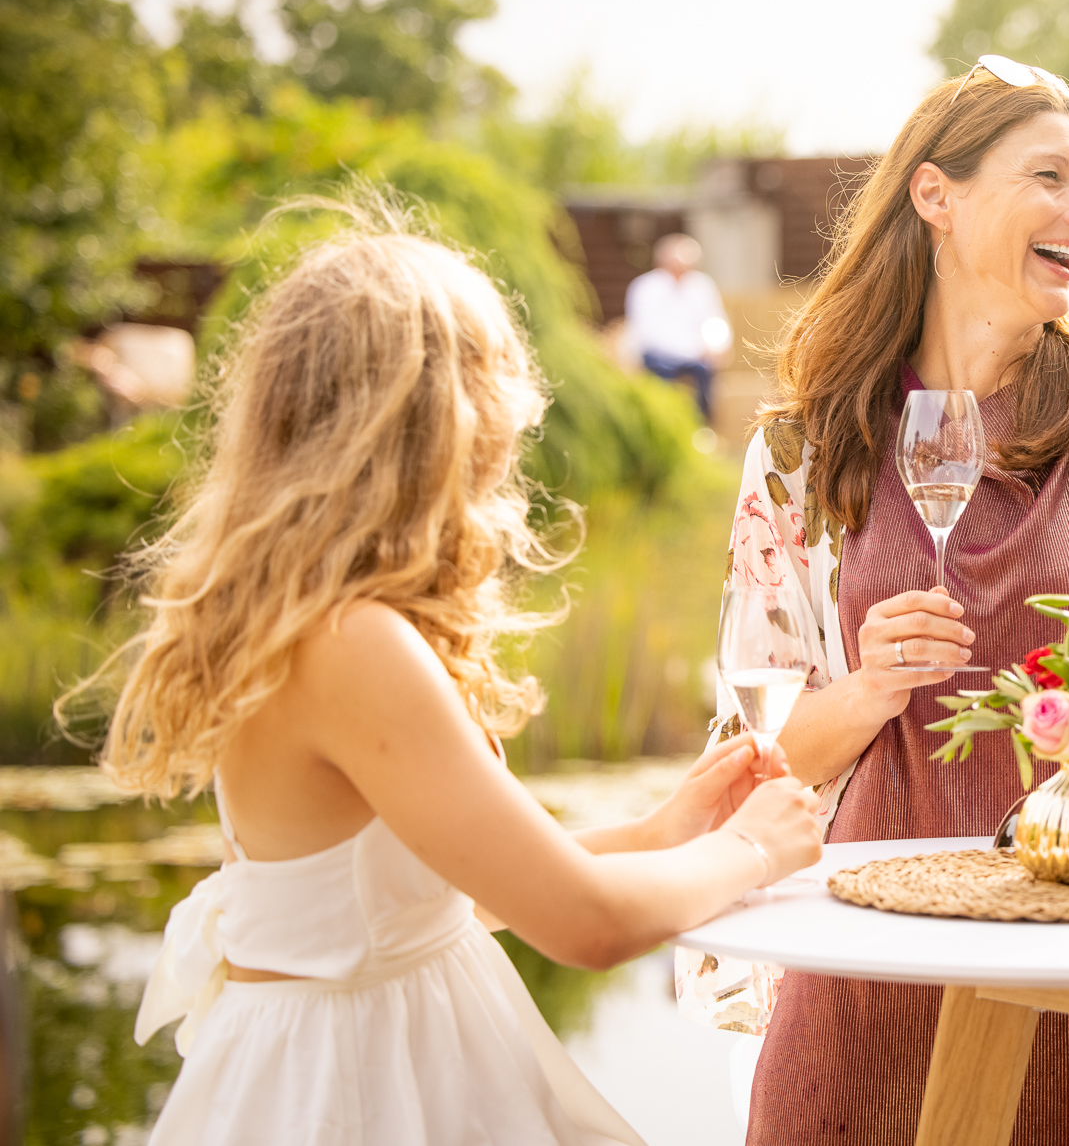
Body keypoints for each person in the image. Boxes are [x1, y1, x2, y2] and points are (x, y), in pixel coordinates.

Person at [87, 199, 822, 1145]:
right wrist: (753, 849)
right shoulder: (352, 642)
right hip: (355, 1093)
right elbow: (583, 926)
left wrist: (659, 831)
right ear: (437, 422)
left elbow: (436, 897)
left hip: (376, 1050)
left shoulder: (312, 620)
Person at [674, 55, 1069, 1145]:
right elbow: (757, 758)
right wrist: (864, 687)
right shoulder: (799, 450)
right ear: (934, 195)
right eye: (1049, 176)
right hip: (860, 972)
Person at [626, 231, 732, 422]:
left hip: (695, 356)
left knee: (706, 375)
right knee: (661, 378)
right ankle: (664, 423)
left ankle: (702, 428)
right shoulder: (645, 289)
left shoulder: (702, 286)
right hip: (659, 357)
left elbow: (715, 320)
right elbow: (649, 335)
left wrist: (716, 346)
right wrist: (694, 349)